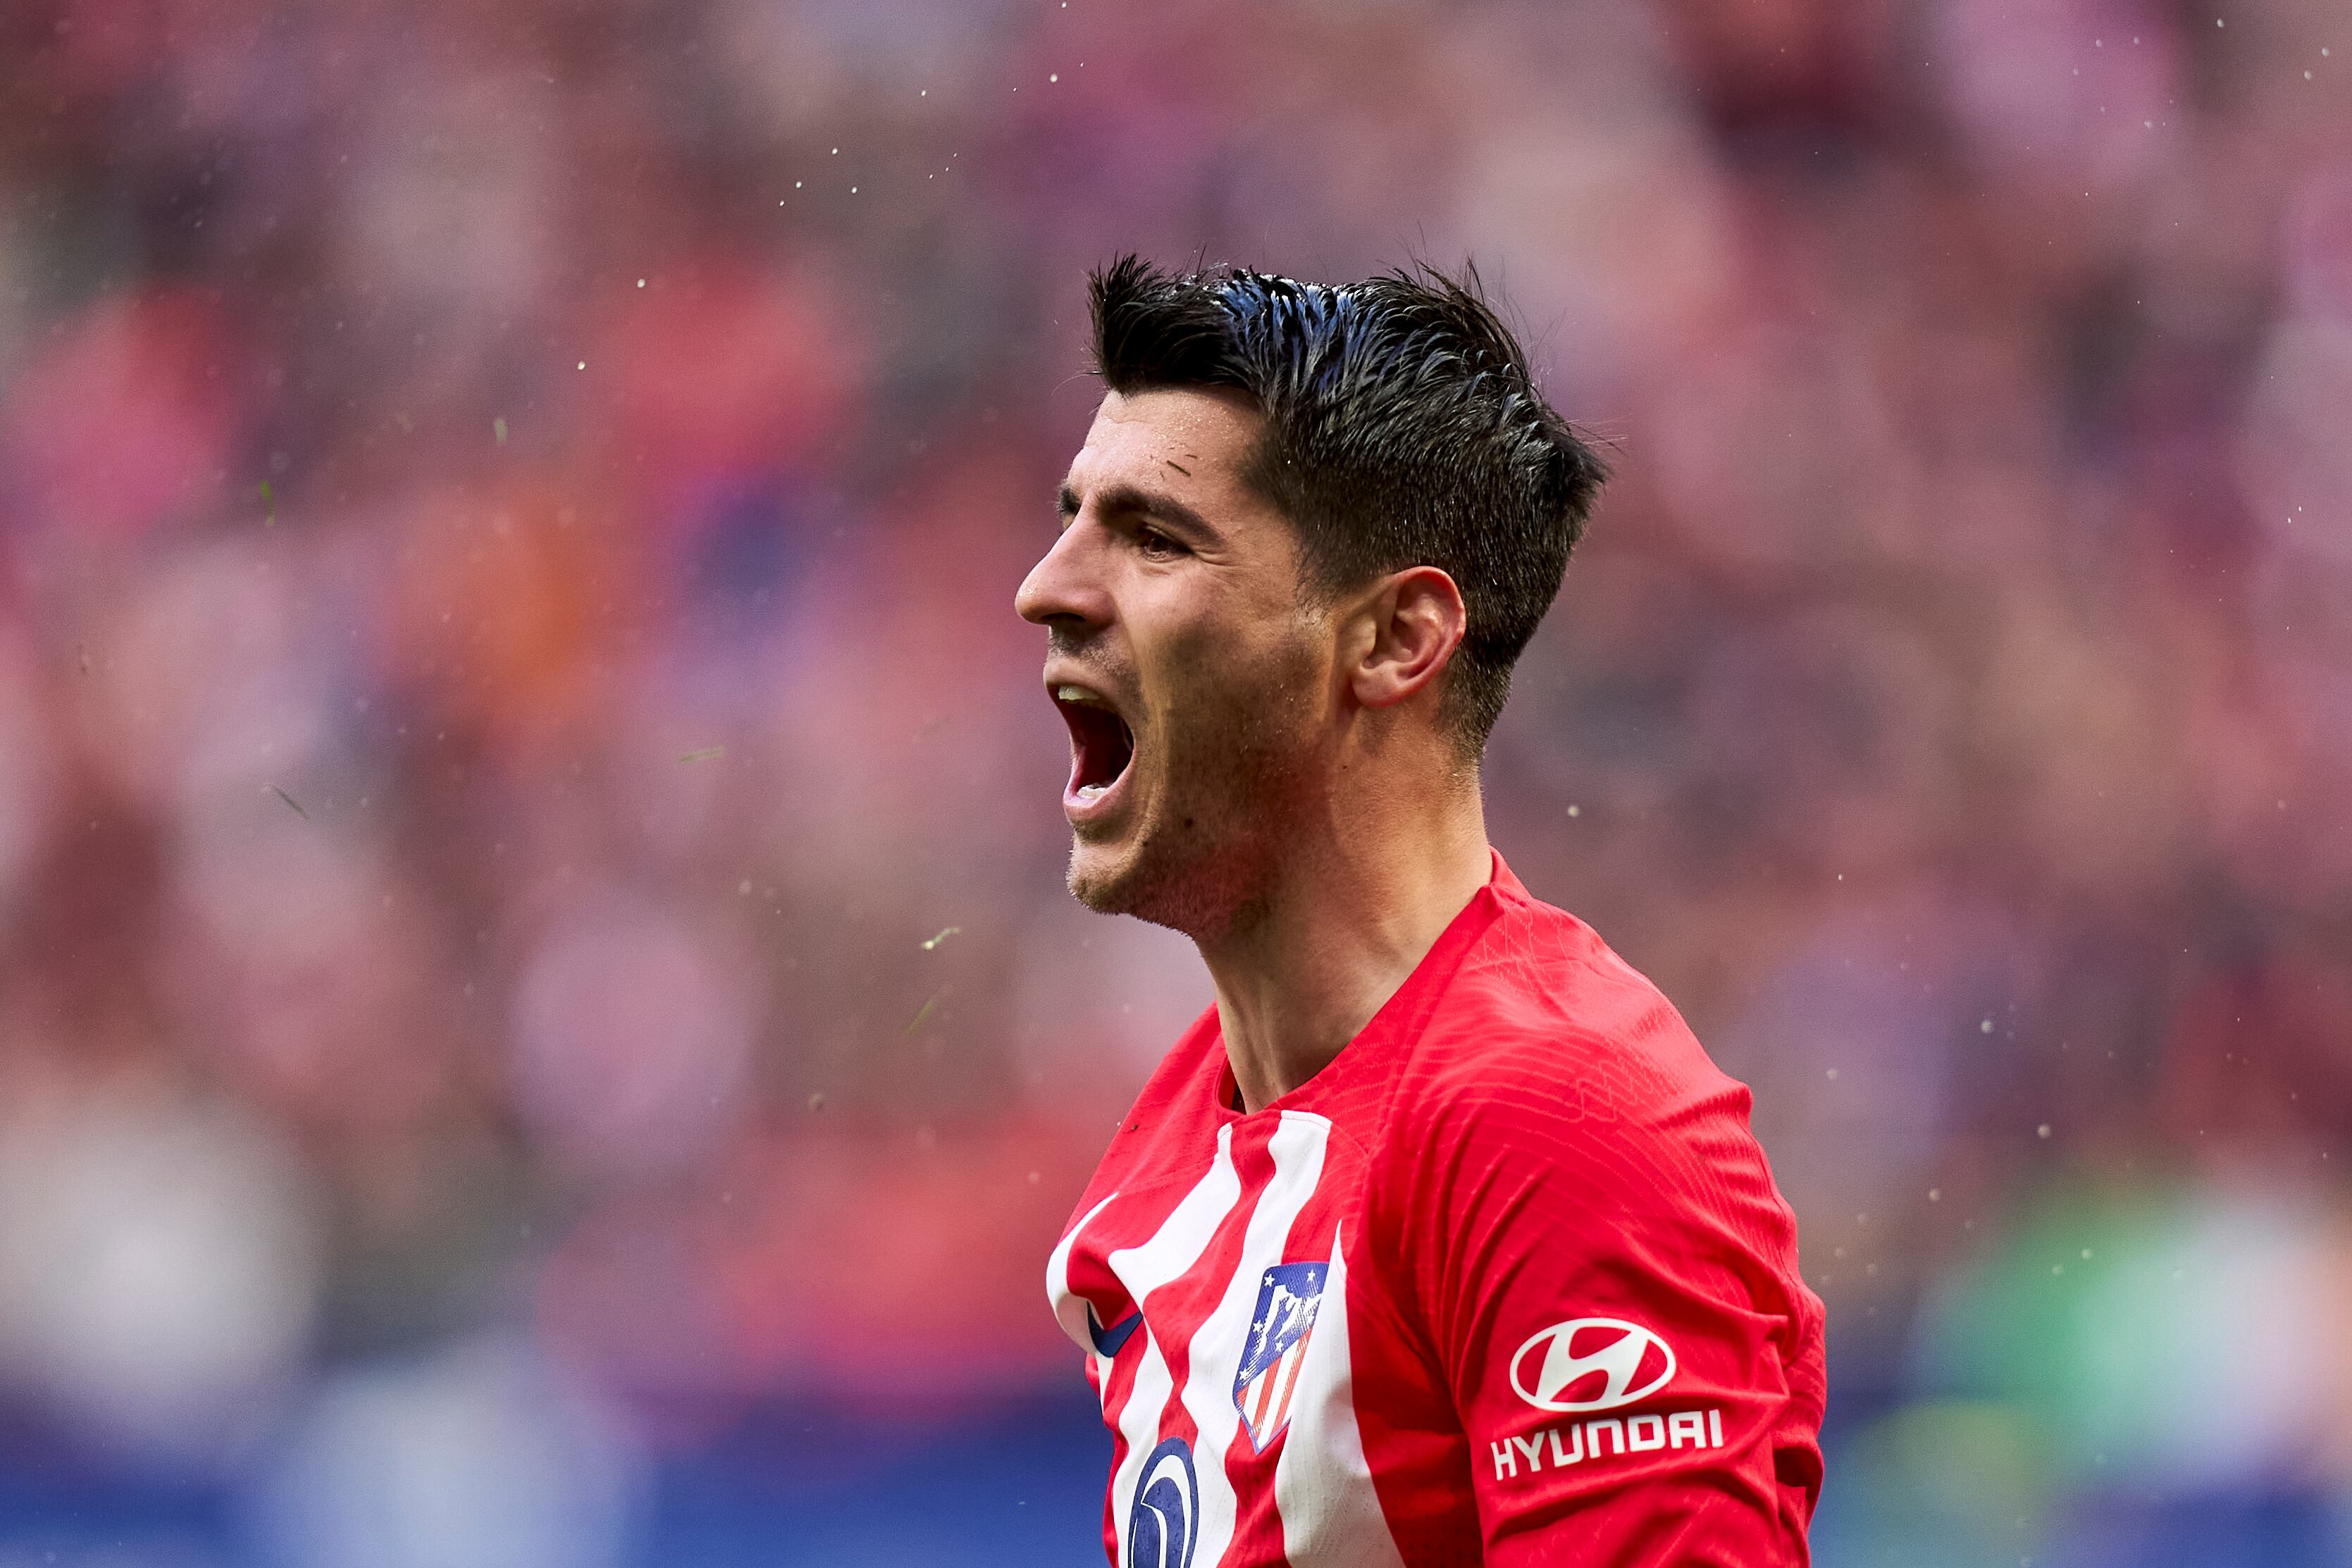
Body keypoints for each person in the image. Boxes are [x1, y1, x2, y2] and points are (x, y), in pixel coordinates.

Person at [1016, 256, 1825, 1568]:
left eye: (1153, 536)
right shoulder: (1174, 1145)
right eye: (1069, 519)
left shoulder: (1553, 1121)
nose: (1046, 586)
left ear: (1395, 639)